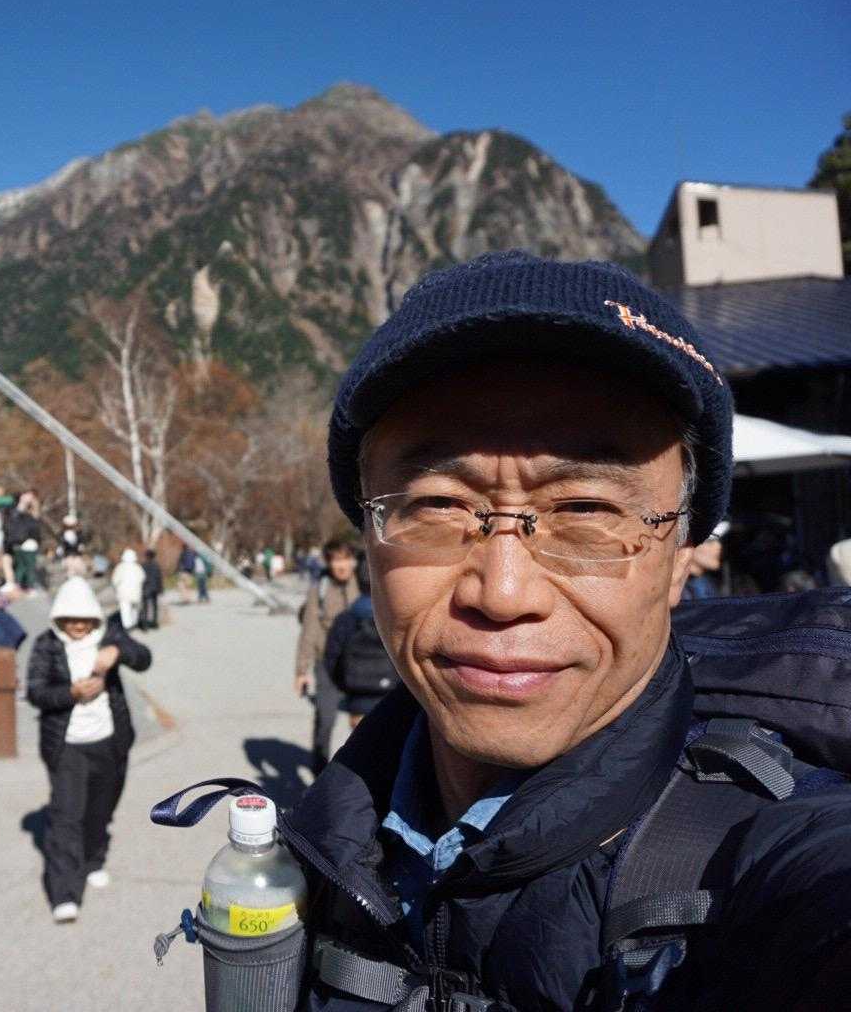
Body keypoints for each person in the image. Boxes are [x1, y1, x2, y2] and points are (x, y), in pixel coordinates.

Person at [280, 252, 851, 1008]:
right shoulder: (319, 848)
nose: (502, 592)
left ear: (682, 557)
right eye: (437, 504)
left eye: (586, 510)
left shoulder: (767, 857)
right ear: (369, 541)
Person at [26, 577, 153, 923]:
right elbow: (36, 691)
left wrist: (119, 652)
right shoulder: (47, 645)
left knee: (100, 810)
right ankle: (65, 893)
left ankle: (94, 860)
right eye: (70, 619)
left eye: (84, 619)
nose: (78, 626)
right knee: (66, 817)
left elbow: (144, 658)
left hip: (109, 742)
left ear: (95, 617)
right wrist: (71, 693)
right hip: (67, 746)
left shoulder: (109, 636)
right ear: (59, 618)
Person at [294, 537, 360, 774]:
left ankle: (363, 778)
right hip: (327, 664)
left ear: (353, 561)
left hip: (359, 664)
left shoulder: (365, 584)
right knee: (325, 718)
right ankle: (320, 772)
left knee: (364, 722)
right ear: (329, 563)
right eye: (336, 560)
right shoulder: (319, 590)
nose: (341, 565)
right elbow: (309, 629)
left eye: (345, 559)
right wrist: (301, 670)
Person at [321, 560, 397, 731]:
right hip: (391, 692)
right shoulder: (394, 617)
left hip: (356, 693)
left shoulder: (345, 619)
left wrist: (344, 685)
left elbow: (331, 658)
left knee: (362, 740)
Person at [680, 519, 728, 601]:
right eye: (709, 542)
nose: (718, 547)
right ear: (688, 544)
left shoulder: (708, 585)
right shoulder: (676, 590)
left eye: (719, 541)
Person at [111, 549, 144, 631]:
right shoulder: (137, 567)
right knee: (134, 609)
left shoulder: (120, 567)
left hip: (123, 593)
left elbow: (114, 580)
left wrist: (116, 588)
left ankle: (127, 626)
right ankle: (134, 622)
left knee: (125, 610)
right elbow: (142, 578)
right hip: (136, 593)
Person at [138, 548, 164, 631]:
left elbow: (140, 578)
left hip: (145, 588)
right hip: (155, 588)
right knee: (154, 606)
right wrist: (161, 589)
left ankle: (145, 625)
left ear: (146, 556)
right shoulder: (156, 565)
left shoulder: (143, 565)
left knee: (145, 607)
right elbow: (159, 578)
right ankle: (155, 623)